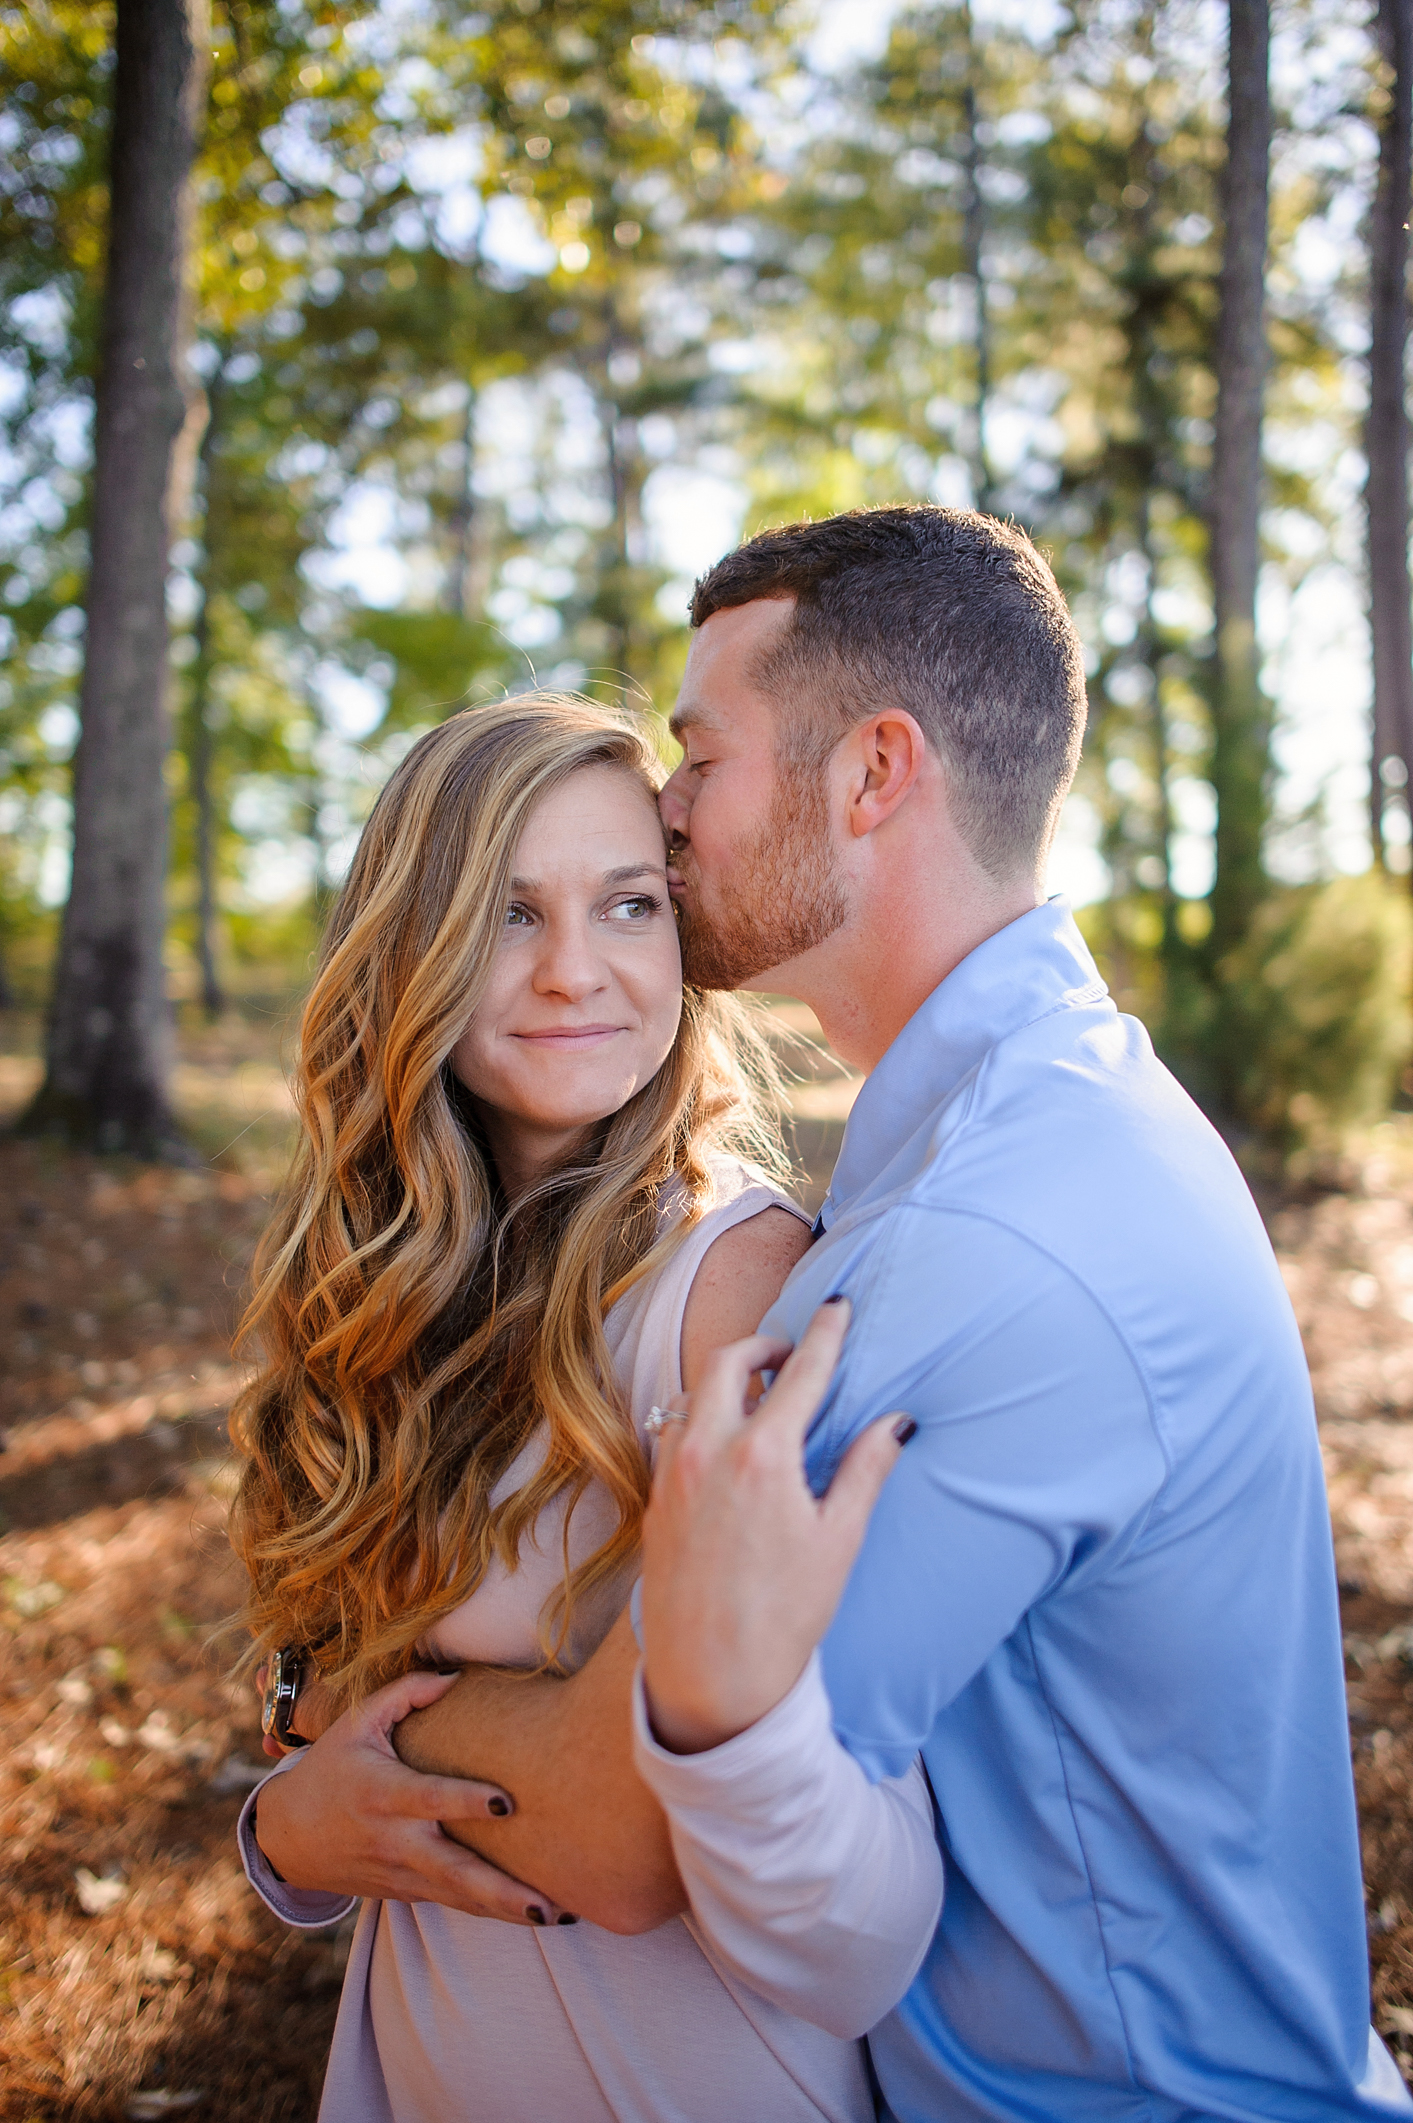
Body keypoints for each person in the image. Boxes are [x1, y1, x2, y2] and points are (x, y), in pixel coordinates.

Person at [252, 506, 1410, 2122]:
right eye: (509, 908)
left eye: (699, 756)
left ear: (870, 775)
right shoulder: (976, 1142)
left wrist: (318, 1734)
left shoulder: (960, 1233)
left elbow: (639, 1814)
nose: (667, 811)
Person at [229, 691, 942, 2123]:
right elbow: (307, 1717)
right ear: (410, 943)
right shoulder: (381, 1285)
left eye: (627, 906)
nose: (574, 971)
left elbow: (624, 1843)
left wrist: (360, 1736)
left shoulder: (729, 1278)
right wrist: (288, 1829)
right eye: (507, 915)